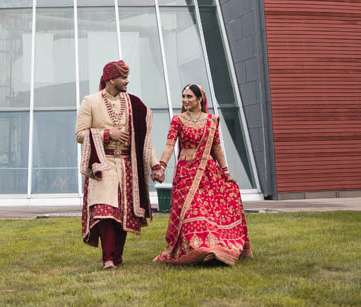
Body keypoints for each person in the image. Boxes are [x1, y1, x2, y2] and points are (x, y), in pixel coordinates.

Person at [153, 84, 252, 265]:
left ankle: (212, 247)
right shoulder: (178, 120)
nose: (185, 100)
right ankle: (195, 248)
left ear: (200, 99)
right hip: (186, 173)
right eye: (183, 96)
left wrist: (225, 172)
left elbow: (216, 148)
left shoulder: (211, 120)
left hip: (208, 172)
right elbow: (169, 145)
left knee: (208, 212)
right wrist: (162, 166)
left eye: (189, 97)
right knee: (191, 211)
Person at [75, 59, 158, 269]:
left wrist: (156, 165)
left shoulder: (134, 104)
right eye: (123, 77)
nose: (127, 81)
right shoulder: (91, 101)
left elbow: (144, 139)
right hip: (102, 165)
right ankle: (108, 258)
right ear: (111, 79)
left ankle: (117, 256)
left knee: (123, 214)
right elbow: (79, 134)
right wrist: (106, 134)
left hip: (127, 166)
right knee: (105, 211)